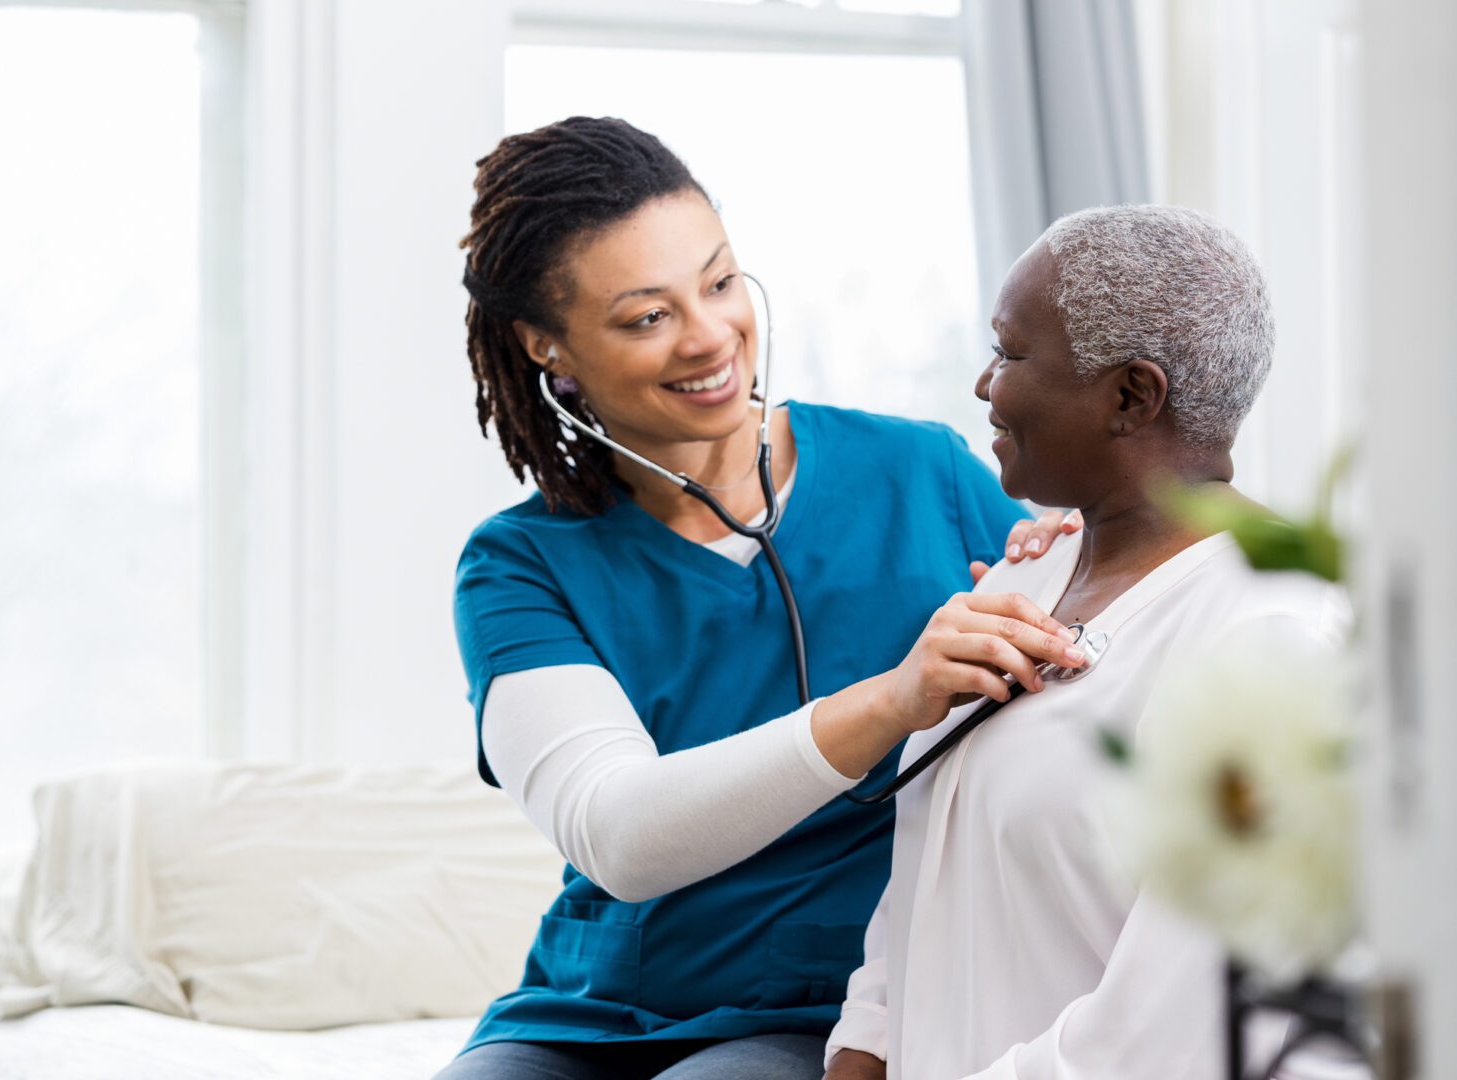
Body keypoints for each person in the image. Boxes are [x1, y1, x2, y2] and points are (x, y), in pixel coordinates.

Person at [439, 116, 1082, 1080]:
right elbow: (621, 834)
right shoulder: (520, 565)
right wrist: (893, 699)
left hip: (829, 1008)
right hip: (589, 1017)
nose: (709, 337)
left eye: (720, 281)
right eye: (646, 316)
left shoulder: (923, 474)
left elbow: (1096, 680)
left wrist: (1071, 572)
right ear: (547, 347)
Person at [823, 205, 1348, 1080]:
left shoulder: (1275, 636)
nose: (986, 384)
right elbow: (920, 896)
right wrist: (860, 1057)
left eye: (1012, 352)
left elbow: (1166, 1033)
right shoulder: (1021, 580)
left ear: (1130, 397)